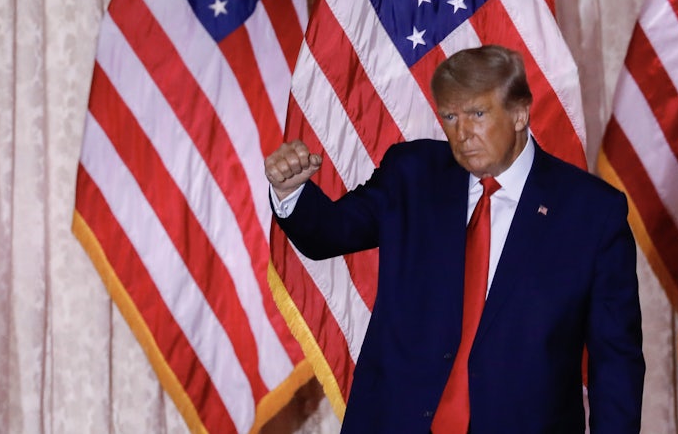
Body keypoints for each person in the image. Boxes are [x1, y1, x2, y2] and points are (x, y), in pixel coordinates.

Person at [265, 45, 644, 434]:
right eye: (450, 116)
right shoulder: (412, 175)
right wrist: (290, 191)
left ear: (519, 113)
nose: (462, 134)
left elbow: (615, 361)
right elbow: (328, 233)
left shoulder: (591, 212)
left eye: (477, 114)